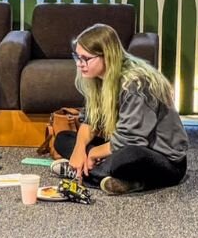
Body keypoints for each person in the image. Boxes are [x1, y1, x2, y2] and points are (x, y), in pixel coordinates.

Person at [51, 23, 188, 195]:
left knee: (127, 157)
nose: (80, 64)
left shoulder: (138, 83)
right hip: (121, 146)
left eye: (86, 58)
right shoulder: (96, 78)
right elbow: (90, 120)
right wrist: (79, 150)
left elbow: (131, 140)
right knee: (63, 139)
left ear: (107, 56)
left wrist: (92, 154)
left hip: (163, 160)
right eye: (77, 57)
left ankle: (85, 174)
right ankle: (114, 178)